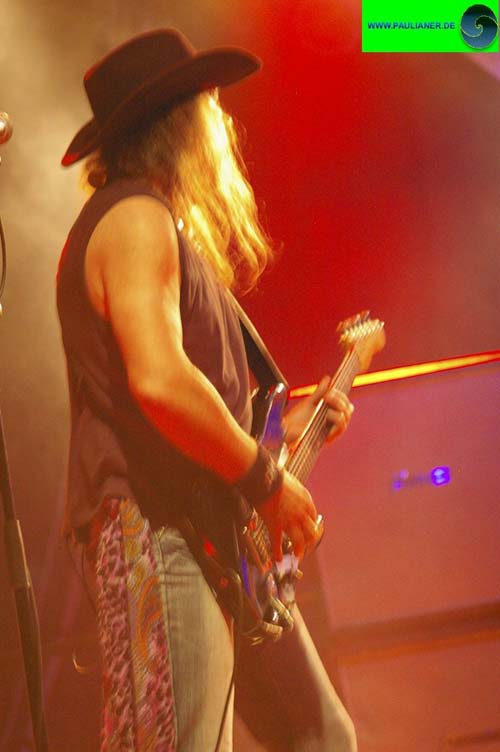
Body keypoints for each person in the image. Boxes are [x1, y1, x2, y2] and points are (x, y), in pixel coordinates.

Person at [57, 28, 357, 752]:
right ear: (177, 123)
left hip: (210, 537)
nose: (221, 119)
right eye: (208, 105)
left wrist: (281, 435)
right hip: (159, 529)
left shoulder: (158, 225)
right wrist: (267, 480)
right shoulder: (132, 217)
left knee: (321, 735)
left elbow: (195, 402)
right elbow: (161, 381)